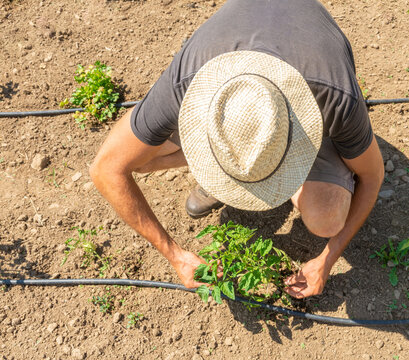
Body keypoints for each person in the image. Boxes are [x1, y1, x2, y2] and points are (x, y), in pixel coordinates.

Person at [90, 0, 384, 299]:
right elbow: (106, 168)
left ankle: (282, 170)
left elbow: (372, 176)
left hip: (309, 80)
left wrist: (326, 261)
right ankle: (238, 167)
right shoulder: (190, 79)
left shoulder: (333, 94)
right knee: (141, 159)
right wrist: (175, 255)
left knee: (327, 220)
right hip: (236, 45)